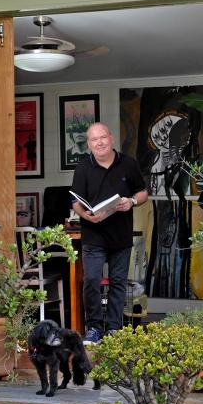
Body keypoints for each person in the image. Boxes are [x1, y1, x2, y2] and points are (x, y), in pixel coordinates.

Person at [70, 122, 149, 342]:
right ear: (89, 144)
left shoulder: (128, 164)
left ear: (111, 138)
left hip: (121, 234)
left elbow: (143, 192)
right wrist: (86, 215)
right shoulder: (83, 167)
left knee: (118, 283)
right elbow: (75, 201)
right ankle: (94, 328)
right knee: (92, 280)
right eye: (94, 140)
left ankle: (114, 329)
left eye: (103, 137)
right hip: (93, 235)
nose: (99, 143)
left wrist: (132, 201)